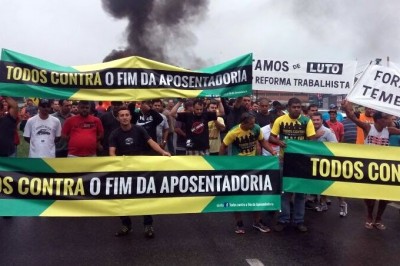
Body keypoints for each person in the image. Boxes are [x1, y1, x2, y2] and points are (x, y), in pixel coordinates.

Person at [109, 106, 171, 238]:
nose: (125, 117)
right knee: (123, 199)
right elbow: (111, 152)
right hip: (124, 171)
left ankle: (148, 226)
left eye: (127, 115)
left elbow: (151, 142)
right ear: (118, 118)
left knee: (144, 197)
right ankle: (126, 225)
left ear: (131, 117)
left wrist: (163, 152)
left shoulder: (139, 129)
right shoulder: (115, 134)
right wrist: (117, 162)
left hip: (141, 170)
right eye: (122, 115)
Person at [342, 100, 400, 230]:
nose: (390, 119)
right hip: (369, 167)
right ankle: (369, 216)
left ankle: (378, 219)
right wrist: (346, 107)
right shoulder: (368, 128)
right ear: (379, 120)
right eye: (387, 118)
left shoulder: (389, 130)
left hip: (385, 167)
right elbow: (352, 117)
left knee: (385, 196)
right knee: (369, 196)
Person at [220, 112, 276, 234]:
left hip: (253, 166)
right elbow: (223, 146)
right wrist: (222, 163)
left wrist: (272, 152)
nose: (254, 125)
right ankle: (239, 223)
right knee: (237, 195)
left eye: (254, 122)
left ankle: (257, 221)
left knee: (256, 193)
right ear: (243, 123)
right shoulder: (233, 132)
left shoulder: (256, 128)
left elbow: (262, 142)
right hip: (238, 166)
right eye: (251, 123)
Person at [269, 97, 316, 232]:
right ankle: (283, 219)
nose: (297, 109)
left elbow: (312, 141)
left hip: (301, 162)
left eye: (299, 107)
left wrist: (304, 149)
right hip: (285, 160)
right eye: (294, 107)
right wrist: (279, 142)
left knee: (301, 193)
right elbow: (271, 137)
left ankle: (299, 221)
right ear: (288, 108)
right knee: (285, 192)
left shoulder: (306, 121)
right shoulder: (280, 120)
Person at [311, 112, 348, 216]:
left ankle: (342, 204)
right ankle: (323, 204)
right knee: (323, 185)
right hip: (316, 163)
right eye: (314, 120)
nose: (316, 122)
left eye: (318, 120)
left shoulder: (327, 132)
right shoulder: (309, 132)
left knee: (334, 186)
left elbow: (335, 146)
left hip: (329, 163)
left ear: (321, 121)